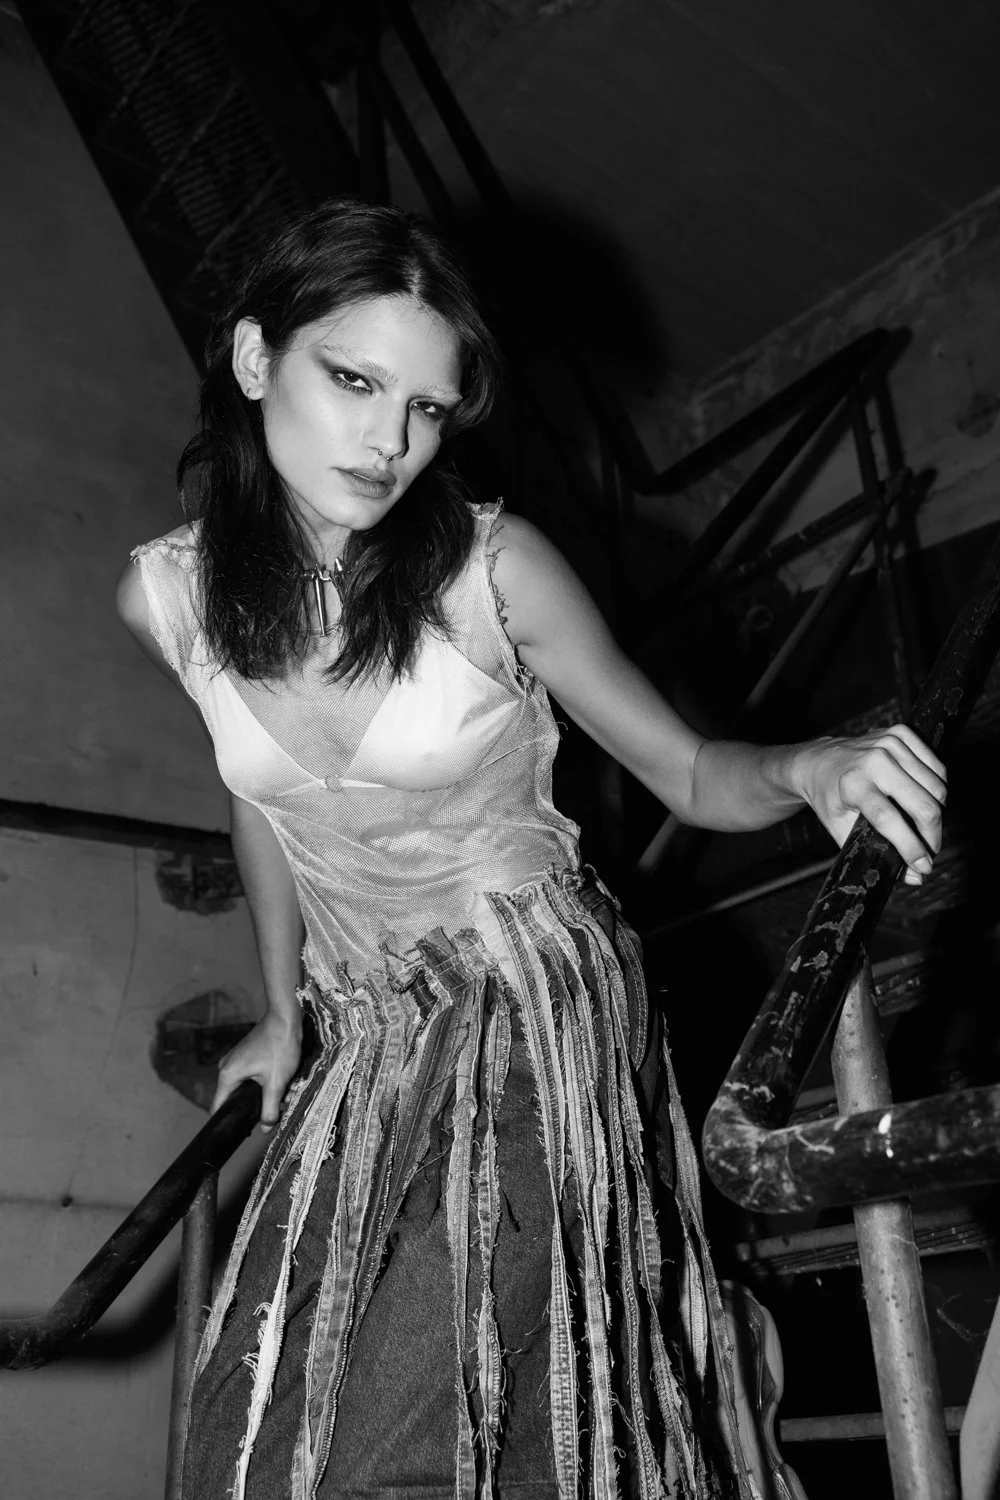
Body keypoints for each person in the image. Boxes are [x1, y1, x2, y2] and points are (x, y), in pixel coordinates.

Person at [117, 200, 946, 1500]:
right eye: (354, 380)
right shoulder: (168, 597)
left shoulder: (490, 576)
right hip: (363, 1031)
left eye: (431, 408)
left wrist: (809, 764)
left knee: (403, 1439)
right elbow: (266, 801)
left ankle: (698, 1331)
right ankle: (712, 1326)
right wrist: (279, 1010)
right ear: (251, 358)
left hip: (525, 1002)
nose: (392, 439)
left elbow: (685, 770)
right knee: (249, 1438)